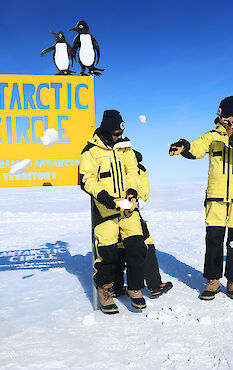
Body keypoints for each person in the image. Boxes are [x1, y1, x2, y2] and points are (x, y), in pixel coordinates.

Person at [169, 96, 233, 300]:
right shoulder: (211, 136)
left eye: (227, 116)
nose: (223, 120)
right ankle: (212, 281)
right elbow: (195, 148)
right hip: (215, 198)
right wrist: (183, 145)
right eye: (220, 116)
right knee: (213, 240)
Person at [79, 109, 147, 314]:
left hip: (128, 209)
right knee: (107, 254)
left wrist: (133, 192)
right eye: (116, 133)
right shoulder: (90, 151)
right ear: (107, 130)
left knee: (137, 248)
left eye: (121, 132)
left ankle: (135, 288)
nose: (119, 136)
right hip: (105, 210)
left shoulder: (125, 148)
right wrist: (105, 198)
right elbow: (86, 179)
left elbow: (133, 172)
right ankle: (105, 291)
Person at [114, 149, 173, 298]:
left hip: (110, 212)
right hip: (131, 213)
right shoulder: (139, 170)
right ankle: (155, 285)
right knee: (146, 244)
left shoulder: (111, 165)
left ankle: (116, 286)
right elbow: (143, 195)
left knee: (118, 246)